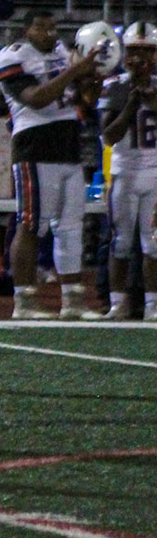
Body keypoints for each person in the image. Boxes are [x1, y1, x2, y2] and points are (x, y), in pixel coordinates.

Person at [0, 10, 101, 319]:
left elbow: (85, 103)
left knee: (70, 228)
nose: (49, 33)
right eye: (41, 27)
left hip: (68, 145)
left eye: (53, 27)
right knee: (31, 225)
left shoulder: (63, 52)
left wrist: (92, 80)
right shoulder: (14, 55)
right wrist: (73, 70)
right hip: (34, 146)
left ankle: (73, 301)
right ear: (26, 30)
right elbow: (37, 98)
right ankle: (25, 301)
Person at [97, 22, 157, 322]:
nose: (140, 57)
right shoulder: (115, 85)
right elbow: (108, 136)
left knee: (154, 244)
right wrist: (132, 104)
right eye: (134, 50)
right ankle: (117, 303)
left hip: (155, 173)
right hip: (124, 173)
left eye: (147, 51)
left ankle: (152, 306)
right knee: (120, 242)